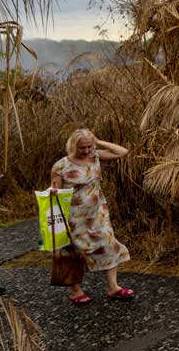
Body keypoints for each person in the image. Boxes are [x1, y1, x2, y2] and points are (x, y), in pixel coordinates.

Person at [50, 129, 134, 305]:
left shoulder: (95, 156)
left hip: (97, 213)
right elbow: (54, 189)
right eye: (82, 148)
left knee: (108, 243)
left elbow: (123, 152)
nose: (87, 150)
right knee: (72, 251)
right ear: (73, 145)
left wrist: (99, 141)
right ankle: (76, 291)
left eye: (89, 146)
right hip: (73, 217)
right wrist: (53, 192)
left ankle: (114, 288)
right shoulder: (61, 166)